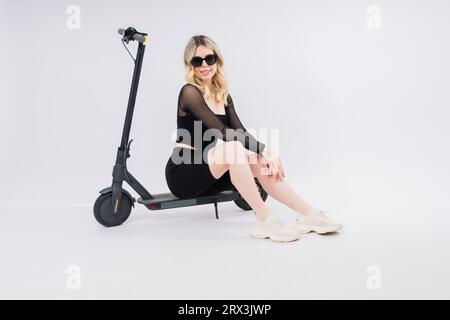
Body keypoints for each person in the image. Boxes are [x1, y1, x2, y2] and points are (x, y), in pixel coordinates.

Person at [165, 34, 343, 242]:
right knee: (234, 148)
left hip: (210, 174)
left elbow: (240, 133)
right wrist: (265, 148)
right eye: (197, 61)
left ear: (217, 60)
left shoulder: (223, 96)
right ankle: (266, 221)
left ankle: (308, 215)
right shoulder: (189, 92)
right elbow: (224, 132)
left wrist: (265, 154)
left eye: (209, 59)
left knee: (259, 161)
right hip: (184, 171)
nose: (204, 65)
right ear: (190, 65)